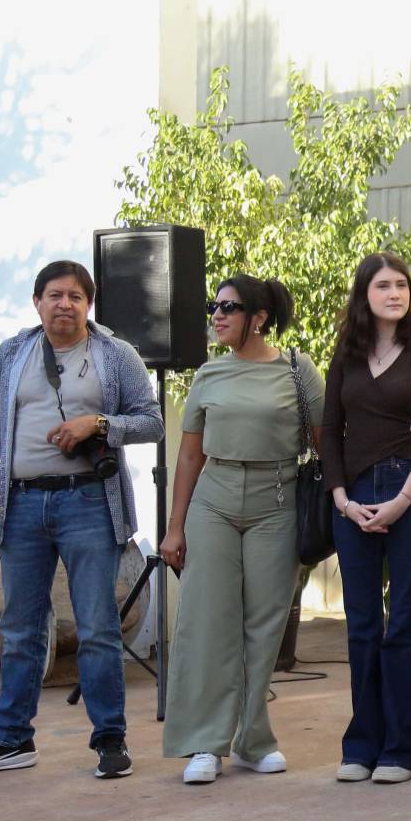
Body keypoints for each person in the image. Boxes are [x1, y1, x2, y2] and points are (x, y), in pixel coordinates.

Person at [0, 261, 163, 779]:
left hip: (89, 503)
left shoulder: (115, 355)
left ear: (89, 305)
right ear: (37, 302)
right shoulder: (11, 354)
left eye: (75, 296)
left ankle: (110, 740)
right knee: (21, 628)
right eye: (54, 295)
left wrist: (101, 423)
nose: (64, 304)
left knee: (97, 627)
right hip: (22, 505)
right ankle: (11, 740)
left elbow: (152, 422)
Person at [158, 275, 325, 785]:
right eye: (214, 306)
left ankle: (253, 740)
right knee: (207, 620)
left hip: (277, 500)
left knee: (264, 625)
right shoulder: (208, 373)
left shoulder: (298, 370)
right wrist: (174, 527)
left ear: (258, 317)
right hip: (214, 499)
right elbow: (190, 453)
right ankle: (204, 744)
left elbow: (323, 445)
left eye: (228, 307)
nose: (217, 315)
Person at [323, 252, 411, 785]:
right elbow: (330, 432)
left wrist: (403, 499)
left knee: (403, 624)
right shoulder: (345, 356)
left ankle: (402, 748)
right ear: (364, 295)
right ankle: (361, 746)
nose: (395, 293)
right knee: (362, 626)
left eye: (401, 285)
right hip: (352, 498)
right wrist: (340, 498)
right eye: (383, 286)